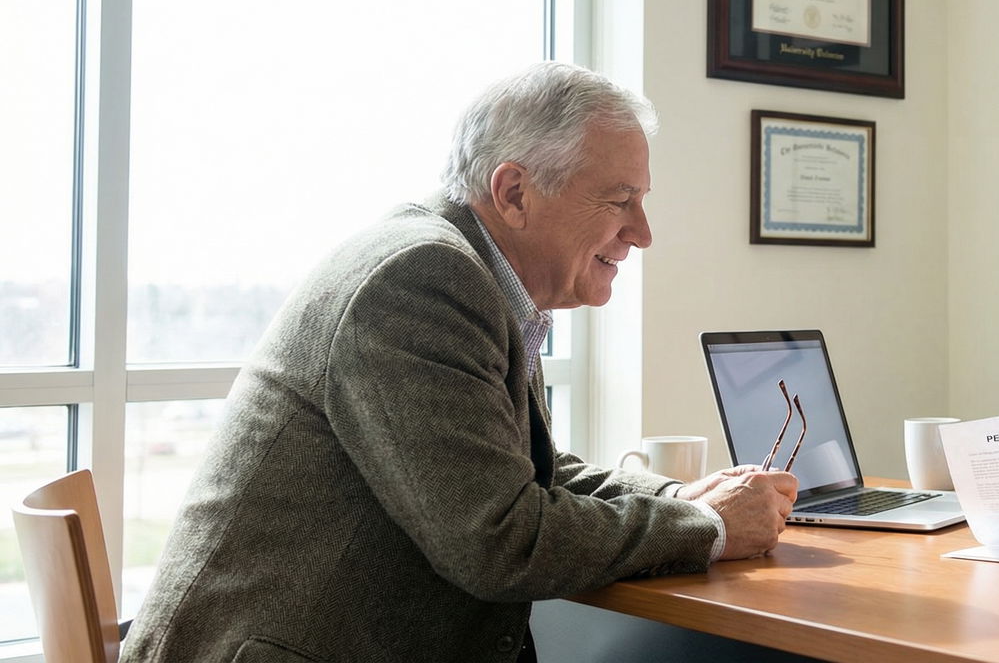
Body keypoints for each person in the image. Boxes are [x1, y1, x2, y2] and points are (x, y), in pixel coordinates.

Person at [122, 63, 799, 662]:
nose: (642, 233)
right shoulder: (423, 279)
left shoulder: (478, 274)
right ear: (513, 193)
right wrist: (707, 527)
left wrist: (680, 497)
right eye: (620, 200)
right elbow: (499, 538)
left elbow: (523, 473)